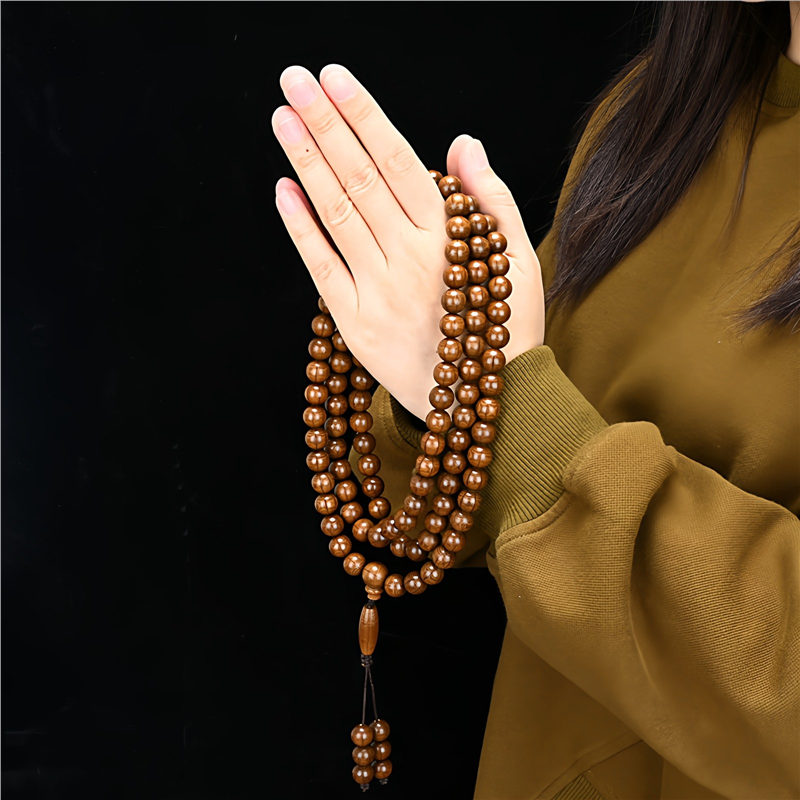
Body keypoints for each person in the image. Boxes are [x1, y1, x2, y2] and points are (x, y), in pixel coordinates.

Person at [274, 2, 800, 798]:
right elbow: (483, 484)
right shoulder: (665, 111)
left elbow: (527, 432)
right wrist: (443, 372)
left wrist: (503, 402)